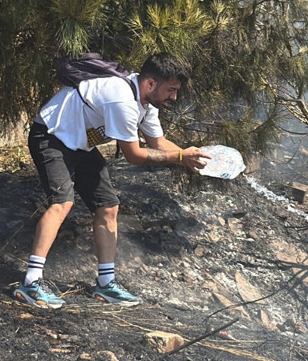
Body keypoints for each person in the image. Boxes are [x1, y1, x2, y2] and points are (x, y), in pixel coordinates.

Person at [14, 52, 209, 309]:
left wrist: (194, 158)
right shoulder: (122, 99)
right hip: (50, 136)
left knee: (108, 206)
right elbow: (134, 155)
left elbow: (158, 144)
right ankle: (30, 283)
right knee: (63, 202)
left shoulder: (146, 103)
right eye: (170, 90)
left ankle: (106, 285)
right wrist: (181, 156)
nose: (173, 97)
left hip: (80, 144)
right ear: (151, 84)